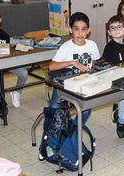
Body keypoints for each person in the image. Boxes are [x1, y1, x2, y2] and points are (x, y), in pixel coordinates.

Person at [42, 12, 100, 147]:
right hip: (65, 86)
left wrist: (92, 70)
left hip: (83, 85)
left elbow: (94, 63)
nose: (80, 33)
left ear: (89, 30)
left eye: (84, 29)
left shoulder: (92, 45)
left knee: (86, 110)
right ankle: (50, 140)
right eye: (76, 29)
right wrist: (72, 62)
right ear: (70, 30)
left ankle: (72, 130)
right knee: (53, 109)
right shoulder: (66, 47)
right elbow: (52, 66)